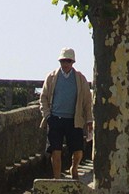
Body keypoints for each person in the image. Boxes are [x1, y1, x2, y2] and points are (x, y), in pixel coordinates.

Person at [39, 47, 93, 179]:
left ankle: (74, 168)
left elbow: (87, 101)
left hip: (74, 119)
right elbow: (43, 98)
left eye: (68, 61)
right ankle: (57, 179)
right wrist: (47, 115)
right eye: (63, 61)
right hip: (55, 118)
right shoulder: (52, 77)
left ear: (72, 62)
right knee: (55, 150)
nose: (65, 64)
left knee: (78, 150)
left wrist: (89, 120)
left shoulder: (80, 78)